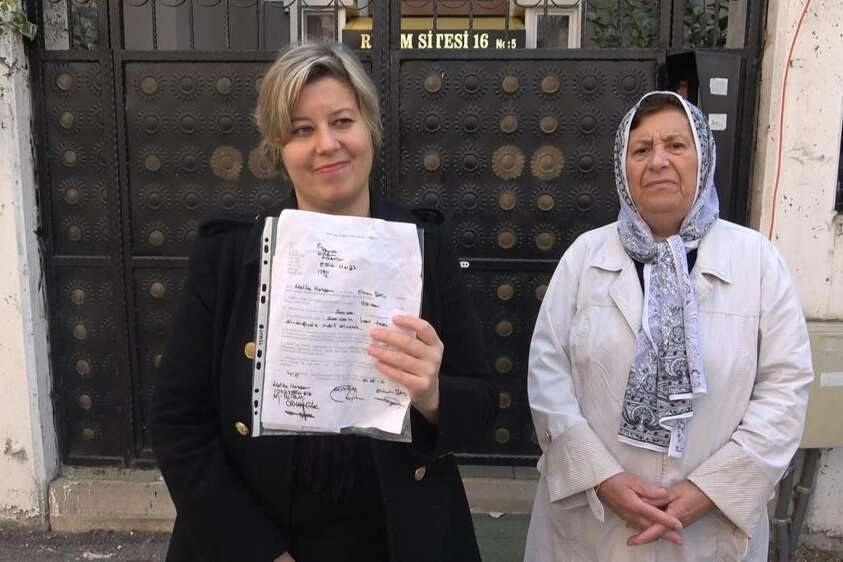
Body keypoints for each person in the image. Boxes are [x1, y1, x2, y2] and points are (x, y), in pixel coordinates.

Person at [150, 42, 497, 562]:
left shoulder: (425, 247)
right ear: (278, 148)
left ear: (369, 128)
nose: (327, 144)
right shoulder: (227, 256)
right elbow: (178, 423)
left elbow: (483, 405)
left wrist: (432, 395)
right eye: (301, 130)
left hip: (399, 539)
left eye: (342, 121)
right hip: (255, 539)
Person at [524, 91, 813, 562]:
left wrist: (710, 489)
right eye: (641, 149)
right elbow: (547, 375)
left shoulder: (757, 261)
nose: (658, 161)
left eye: (676, 145)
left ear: (704, 159)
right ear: (623, 168)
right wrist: (603, 478)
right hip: (595, 521)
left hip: (708, 529)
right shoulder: (585, 257)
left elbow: (786, 385)